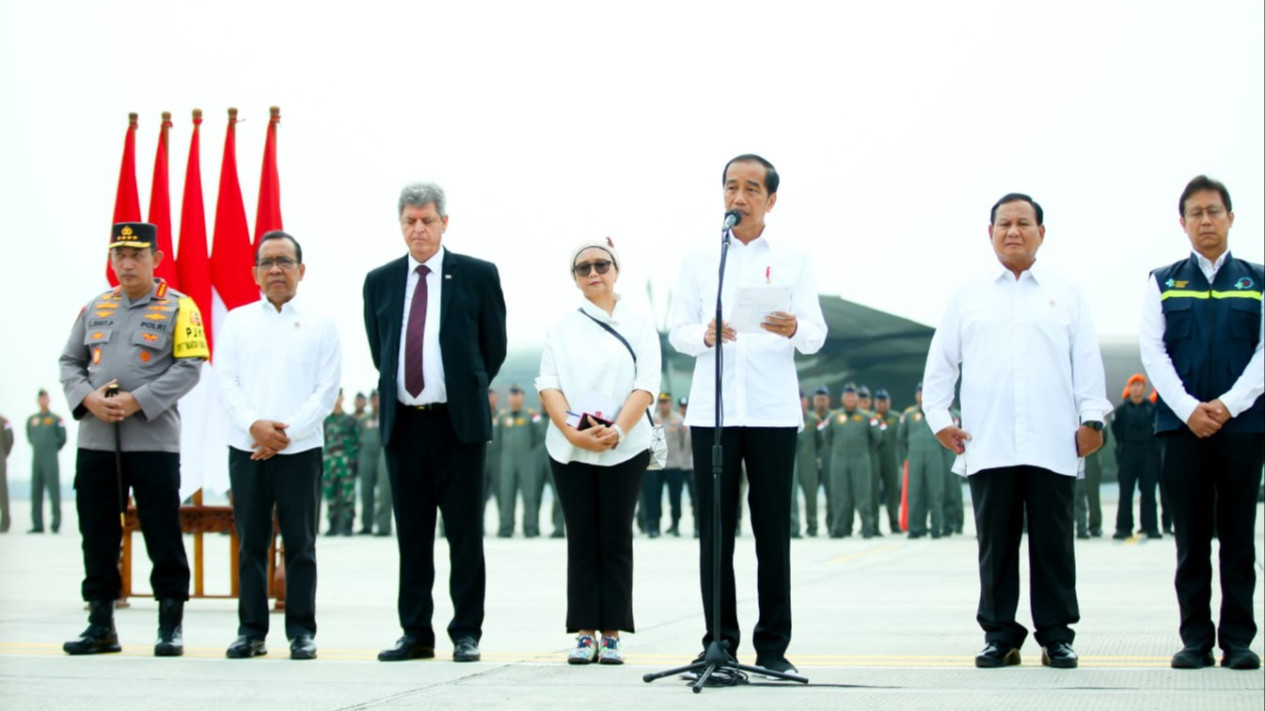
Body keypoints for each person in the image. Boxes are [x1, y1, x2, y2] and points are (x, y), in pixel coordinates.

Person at [922, 194, 1111, 670]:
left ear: (1041, 233)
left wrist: (1093, 419)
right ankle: (1000, 635)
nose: (1013, 231)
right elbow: (941, 364)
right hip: (989, 441)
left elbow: (1086, 363)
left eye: (1023, 223)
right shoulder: (968, 296)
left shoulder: (1066, 294)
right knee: (996, 544)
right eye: (1003, 223)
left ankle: (1056, 635)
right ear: (990, 234)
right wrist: (940, 420)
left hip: (1053, 440)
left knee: (1053, 542)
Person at [669, 154, 827, 676]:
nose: (740, 197)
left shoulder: (794, 257)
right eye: (732, 187)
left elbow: (816, 333)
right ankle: (719, 644)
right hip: (714, 411)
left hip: (772, 411)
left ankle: (774, 648)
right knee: (715, 532)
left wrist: (792, 328)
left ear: (771, 200)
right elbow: (678, 330)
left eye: (752, 189)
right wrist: (704, 334)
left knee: (771, 531)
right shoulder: (698, 259)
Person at [363, 181, 507, 663]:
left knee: (465, 534)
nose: (419, 228)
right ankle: (415, 632)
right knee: (413, 536)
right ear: (400, 224)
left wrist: (464, 384)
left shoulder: (477, 275)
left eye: (427, 220)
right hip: (404, 426)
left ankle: (466, 631)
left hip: (457, 425)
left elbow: (493, 346)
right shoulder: (379, 281)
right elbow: (379, 348)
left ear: (445, 222)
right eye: (410, 221)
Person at [58, 222, 207, 656]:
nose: (126, 263)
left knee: (162, 530)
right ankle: (101, 623)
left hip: (153, 441)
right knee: (98, 532)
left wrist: (137, 400)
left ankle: (170, 624)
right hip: (97, 439)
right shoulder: (94, 307)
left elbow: (190, 366)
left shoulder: (180, 308)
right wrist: (88, 398)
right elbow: (70, 360)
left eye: (137, 255)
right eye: (119, 255)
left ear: (156, 259)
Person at [1139, 175, 1263, 671]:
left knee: (1238, 536)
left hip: (1243, 427)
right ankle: (1195, 639)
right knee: (1190, 538)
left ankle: (1237, 640)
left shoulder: (1257, 281)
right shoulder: (1163, 280)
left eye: (1214, 211)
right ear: (1183, 222)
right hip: (1181, 427)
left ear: (1230, 218)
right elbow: (1153, 350)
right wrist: (1189, 408)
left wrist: (1229, 405)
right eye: (1196, 212)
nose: (1205, 220)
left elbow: (1262, 354)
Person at [216, 230, 341, 660]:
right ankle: (250, 631)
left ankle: (301, 631)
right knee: (252, 543)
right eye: (267, 262)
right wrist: (255, 427)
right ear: (254, 272)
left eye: (285, 261)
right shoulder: (236, 321)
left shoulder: (321, 325)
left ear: (301, 271)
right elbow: (226, 383)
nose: (276, 269)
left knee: (300, 543)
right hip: (246, 448)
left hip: (300, 451)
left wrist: (283, 433)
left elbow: (326, 392)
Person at [537, 237, 659, 664]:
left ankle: (612, 633)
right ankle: (584, 632)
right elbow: (548, 385)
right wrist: (574, 432)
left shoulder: (640, 324)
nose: (593, 273)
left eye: (601, 265)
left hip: (625, 445)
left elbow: (647, 384)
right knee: (582, 538)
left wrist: (619, 431)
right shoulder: (560, 327)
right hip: (571, 445)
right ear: (574, 278)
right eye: (583, 268)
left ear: (616, 270)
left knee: (615, 536)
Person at [822, 384, 879, 538]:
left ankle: (868, 528)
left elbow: (877, 438)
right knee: (839, 496)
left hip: (861, 459)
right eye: (847, 396)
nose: (850, 399)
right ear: (842, 398)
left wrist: (863, 450)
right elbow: (826, 437)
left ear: (857, 399)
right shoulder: (834, 417)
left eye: (853, 396)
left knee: (863, 495)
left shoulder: (867, 417)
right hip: (839, 459)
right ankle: (839, 528)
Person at [1111, 374, 1161, 540]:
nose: (1137, 388)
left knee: (1148, 491)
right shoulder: (1121, 410)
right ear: (1129, 388)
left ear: (1144, 388)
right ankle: (1123, 528)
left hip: (1147, 454)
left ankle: (1150, 527)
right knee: (1125, 492)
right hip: (1128, 453)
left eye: (1140, 385)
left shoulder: (1151, 408)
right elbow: (1116, 430)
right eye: (1134, 385)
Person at [898, 383, 948, 539]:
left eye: (924, 393)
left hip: (934, 458)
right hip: (915, 458)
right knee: (914, 493)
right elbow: (901, 439)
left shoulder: (938, 413)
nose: (921, 396)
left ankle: (936, 528)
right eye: (919, 393)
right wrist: (906, 457)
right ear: (916, 395)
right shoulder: (908, 415)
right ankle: (915, 527)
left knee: (935, 492)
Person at [495, 385, 543, 537]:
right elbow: (496, 439)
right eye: (513, 395)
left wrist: (527, 450)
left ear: (523, 398)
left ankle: (530, 528)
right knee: (506, 495)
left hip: (526, 461)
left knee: (529, 495)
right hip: (507, 461)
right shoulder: (502, 417)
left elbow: (539, 436)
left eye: (518, 395)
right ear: (509, 398)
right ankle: (506, 528)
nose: (515, 398)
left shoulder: (530, 416)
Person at [26, 388, 67, 533]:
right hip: (37, 458)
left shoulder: (56, 419)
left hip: (51, 458)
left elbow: (62, 438)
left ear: (48, 400)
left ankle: (55, 523)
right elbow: (30, 437)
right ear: (38, 401)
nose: (43, 401)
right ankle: (37, 524)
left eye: (45, 398)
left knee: (53, 491)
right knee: (35, 491)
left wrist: (52, 448)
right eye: (40, 398)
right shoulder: (32, 420)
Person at [322, 391, 359, 536]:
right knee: (330, 495)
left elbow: (357, 442)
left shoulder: (350, 420)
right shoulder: (326, 421)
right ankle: (332, 525)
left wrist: (351, 459)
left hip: (346, 465)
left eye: (338, 395)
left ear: (342, 398)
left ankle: (348, 525)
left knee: (348, 495)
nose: (336, 399)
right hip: (329, 464)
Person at [655, 392, 691, 537]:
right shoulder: (654, 418)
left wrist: (683, 459)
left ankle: (675, 524)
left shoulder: (678, 419)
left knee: (675, 497)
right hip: (657, 463)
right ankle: (654, 526)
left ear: (670, 403)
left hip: (675, 463)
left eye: (666, 402)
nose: (664, 404)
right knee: (654, 497)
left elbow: (686, 441)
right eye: (661, 402)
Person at [357, 390, 392, 536]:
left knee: (384, 491)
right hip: (366, 454)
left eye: (377, 398)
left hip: (383, 452)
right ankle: (367, 524)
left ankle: (383, 526)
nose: (375, 402)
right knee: (366, 490)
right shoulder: (364, 419)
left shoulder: (388, 415)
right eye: (373, 399)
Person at [871, 389, 901, 534]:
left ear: (889, 402)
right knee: (873, 492)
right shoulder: (870, 418)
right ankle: (874, 525)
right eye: (879, 402)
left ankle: (894, 523)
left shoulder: (896, 418)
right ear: (875, 403)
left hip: (891, 459)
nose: (882, 405)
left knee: (893, 493)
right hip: (874, 459)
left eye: (885, 402)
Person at [1, 413, 11, 533]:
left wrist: (3, 454)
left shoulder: (3, 421)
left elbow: (9, 439)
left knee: (2, 493)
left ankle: (5, 523)